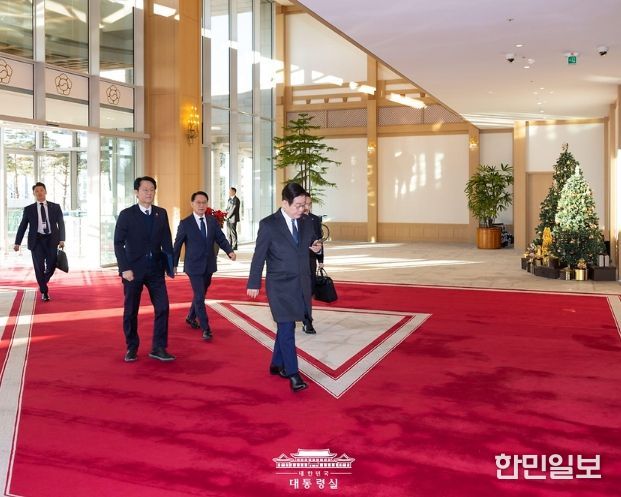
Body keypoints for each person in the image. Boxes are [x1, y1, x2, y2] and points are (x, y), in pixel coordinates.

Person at [247, 183, 323, 392]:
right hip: (279, 286)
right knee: (287, 327)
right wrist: (253, 282)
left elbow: (311, 244)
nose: (302, 209)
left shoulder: (306, 222)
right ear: (284, 203)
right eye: (298, 205)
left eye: (304, 205)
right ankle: (293, 373)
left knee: (285, 326)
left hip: (301, 283)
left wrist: (316, 249)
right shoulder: (269, 225)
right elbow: (259, 256)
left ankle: (276, 363)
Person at [114, 176, 175, 363]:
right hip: (133, 271)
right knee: (131, 310)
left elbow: (167, 240)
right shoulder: (126, 214)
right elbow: (118, 243)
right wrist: (124, 268)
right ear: (136, 192)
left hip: (156, 269)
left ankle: (158, 347)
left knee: (163, 307)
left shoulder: (161, 213)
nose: (149, 193)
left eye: (152, 190)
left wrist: (171, 265)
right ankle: (132, 347)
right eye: (145, 190)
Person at [173, 191, 236, 340]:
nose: (201, 205)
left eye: (204, 203)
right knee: (200, 295)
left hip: (209, 265)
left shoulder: (212, 221)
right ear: (192, 204)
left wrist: (229, 251)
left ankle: (190, 316)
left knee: (200, 293)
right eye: (198, 202)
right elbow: (177, 245)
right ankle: (206, 328)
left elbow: (220, 238)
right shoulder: (185, 223)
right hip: (193, 266)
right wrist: (173, 264)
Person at [14, 182, 66, 302]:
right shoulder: (29, 209)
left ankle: (43, 282)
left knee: (52, 265)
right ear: (34, 194)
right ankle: (44, 291)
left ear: (45, 191)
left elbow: (61, 224)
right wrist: (17, 242)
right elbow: (22, 226)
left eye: (41, 190)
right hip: (36, 241)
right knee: (39, 267)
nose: (39, 193)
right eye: (36, 191)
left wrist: (62, 239)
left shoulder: (55, 207)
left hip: (52, 239)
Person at [302, 192, 324, 334]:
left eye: (309, 204)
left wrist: (320, 259)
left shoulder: (315, 219)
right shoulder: (294, 219)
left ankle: (307, 320)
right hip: (295, 262)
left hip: (310, 260)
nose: (307, 207)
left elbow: (319, 241)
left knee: (308, 291)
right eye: (305, 204)